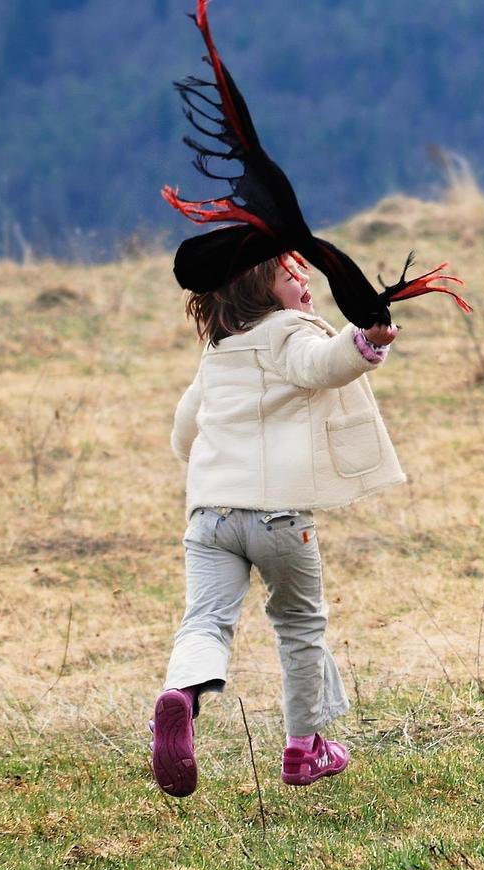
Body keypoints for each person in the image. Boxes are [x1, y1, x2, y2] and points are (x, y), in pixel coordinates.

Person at [150, 252, 403, 797]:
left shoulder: (218, 349)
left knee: (205, 621)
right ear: (261, 292)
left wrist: (201, 460)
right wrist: (367, 341)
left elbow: (184, 427)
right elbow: (322, 364)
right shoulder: (289, 331)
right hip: (279, 517)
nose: (304, 279)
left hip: (211, 515)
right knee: (299, 625)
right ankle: (304, 747)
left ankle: (181, 695)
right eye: (290, 276)